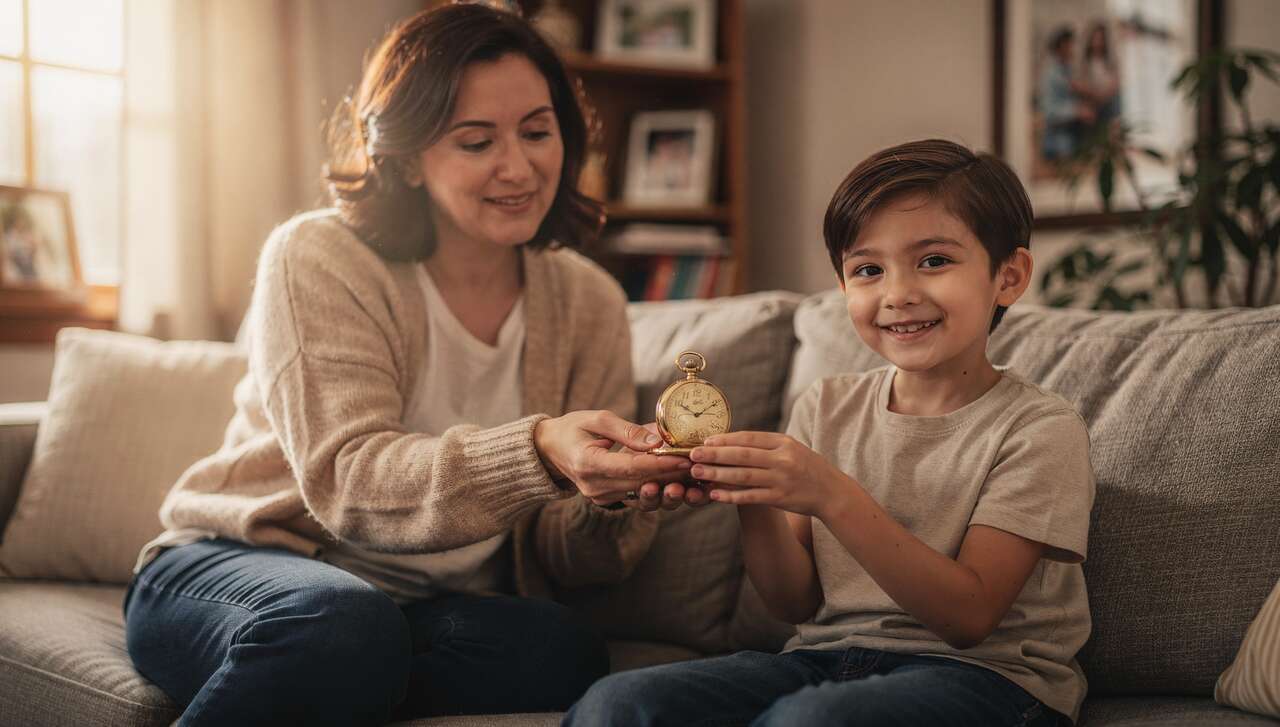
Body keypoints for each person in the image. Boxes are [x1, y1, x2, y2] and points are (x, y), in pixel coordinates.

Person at [123, 5, 701, 725]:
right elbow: (349, 482)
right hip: (235, 563)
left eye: (536, 130)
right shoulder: (318, 256)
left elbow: (570, 559)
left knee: (562, 650)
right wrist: (541, 448)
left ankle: (337, 677)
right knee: (338, 625)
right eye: (476, 140)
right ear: (405, 157)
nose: (517, 166)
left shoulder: (589, 300)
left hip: (416, 608)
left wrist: (611, 495)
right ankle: (333, 663)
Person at [565, 139, 1095, 727]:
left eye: (934, 261)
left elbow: (969, 617)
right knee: (615, 704)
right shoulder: (827, 405)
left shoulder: (1040, 429)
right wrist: (752, 496)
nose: (897, 294)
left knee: (813, 721)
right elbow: (795, 603)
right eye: (868, 270)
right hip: (825, 661)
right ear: (844, 287)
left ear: (1009, 276)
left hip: (989, 682)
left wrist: (830, 493)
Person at [1038, 27, 1094, 161]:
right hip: (1058, 142)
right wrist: (1077, 112)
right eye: (1070, 45)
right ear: (1061, 47)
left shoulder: (1068, 71)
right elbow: (1049, 112)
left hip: (1073, 137)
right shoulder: (1051, 75)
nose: (1073, 49)